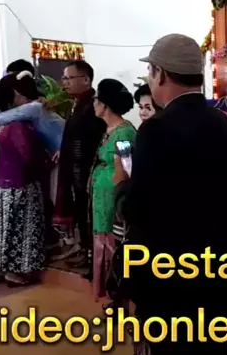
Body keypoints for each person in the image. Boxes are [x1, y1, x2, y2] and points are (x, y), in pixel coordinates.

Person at [113, 34, 227, 355]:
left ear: (161, 74)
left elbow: (137, 209)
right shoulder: (224, 123)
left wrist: (122, 183)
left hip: (167, 280)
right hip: (213, 269)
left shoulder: (156, 129)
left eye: (150, 71)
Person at [0, 74, 49, 287]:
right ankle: (14, 272)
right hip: (22, 182)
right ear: (15, 96)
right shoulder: (18, 125)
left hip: (3, 181)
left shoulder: (3, 121)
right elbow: (28, 156)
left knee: (4, 226)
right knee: (20, 228)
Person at [53, 61, 106, 274]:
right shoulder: (78, 104)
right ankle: (84, 249)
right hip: (77, 171)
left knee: (89, 215)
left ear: (85, 80)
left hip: (87, 172)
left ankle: (92, 255)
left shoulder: (93, 107)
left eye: (69, 78)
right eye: (64, 78)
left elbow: (92, 142)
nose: (65, 83)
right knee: (81, 213)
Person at [89, 79, 136, 301]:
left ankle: (117, 295)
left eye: (96, 99)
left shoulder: (124, 134)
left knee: (112, 243)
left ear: (105, 104)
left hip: (112, 198)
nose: (93, 104)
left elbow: (125, 169)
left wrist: (118, 197)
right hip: (101, 197)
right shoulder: (108, 130)